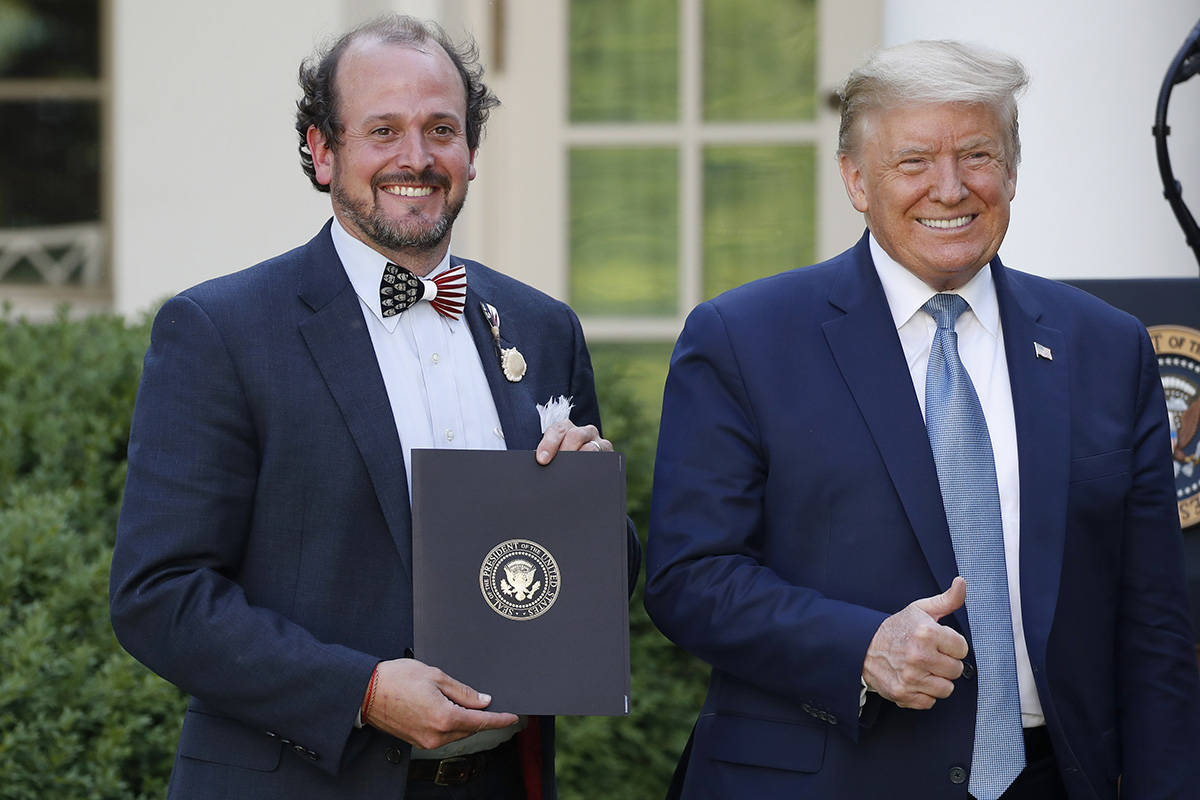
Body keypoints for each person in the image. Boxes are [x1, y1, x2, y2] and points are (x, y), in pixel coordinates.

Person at [644, 40, 1200, 800]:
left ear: (1010, 169)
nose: (950, 188)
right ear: (854, 179)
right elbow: (689, 578)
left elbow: (1154, 620)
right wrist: (859, 646)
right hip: (827, 778)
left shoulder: (1105, 346)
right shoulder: (744, 338)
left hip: (1055, 779)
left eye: (977, 154)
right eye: (913, 163)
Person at [109, 15, 638, 800]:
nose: (416, 159)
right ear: (324, 151)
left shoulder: (542, 326)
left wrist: (588, 515)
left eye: (442, 130)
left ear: (470, 151)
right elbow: (160, 595)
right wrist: (360, 691)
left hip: (498, 785)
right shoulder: (221, 330)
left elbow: (585, 586)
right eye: (383, 130)